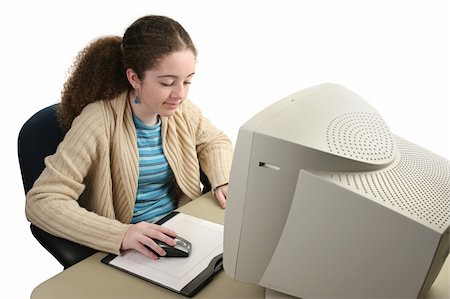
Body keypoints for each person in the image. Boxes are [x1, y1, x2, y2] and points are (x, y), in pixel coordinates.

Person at [25, 15, 233, 260]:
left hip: (180, 228)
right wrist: (120, 234)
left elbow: (213, 141)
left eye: (187, 81)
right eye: (167, 82)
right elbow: (42, 200)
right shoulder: (97, 122)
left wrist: (222, 179)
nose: (180, 94)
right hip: (129, 247)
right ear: (134, 78)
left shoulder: (181, 111)